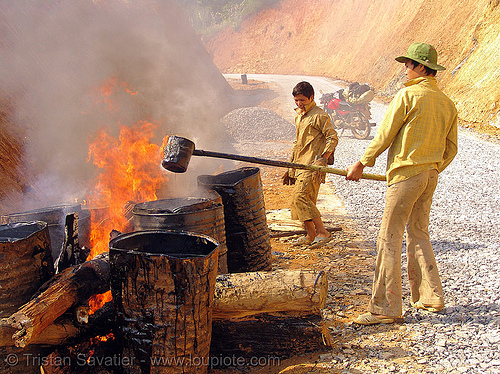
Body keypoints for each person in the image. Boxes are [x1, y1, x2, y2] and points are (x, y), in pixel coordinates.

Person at [346, 42, 458, 325]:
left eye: (408, 65)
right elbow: (451, 148)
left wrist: (361, 163)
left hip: (407, 177)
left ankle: (385, 309)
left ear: (421, 67)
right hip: (429, 176)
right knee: (419, 233)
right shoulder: (447, 102)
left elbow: (384, 135)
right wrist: (431, 167)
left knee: (389, 237)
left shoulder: (408, 96)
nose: (405, 70)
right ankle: (430, 297)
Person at [283, 81, 338, 248]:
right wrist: (290, 167)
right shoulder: (299, 115)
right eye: (296, 101)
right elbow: (298, 142)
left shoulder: (319, 116)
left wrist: (324, 158)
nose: (299, 104)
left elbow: (332, 137)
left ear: (311, 97)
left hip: (313, 165)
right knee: (302, 201)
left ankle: (323, 232)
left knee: (300, 197)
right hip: (300, 164)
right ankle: (311, 234)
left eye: (302, 100)